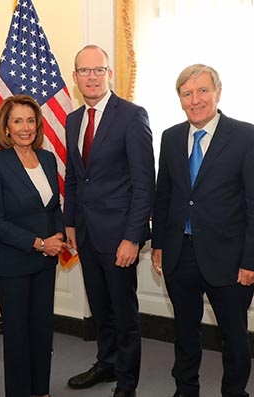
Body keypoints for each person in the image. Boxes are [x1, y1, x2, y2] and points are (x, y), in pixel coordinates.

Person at [151, 64, 254, 397]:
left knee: (233, 336)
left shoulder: (246, 136)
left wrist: (253, 260)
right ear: (180, 100)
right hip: (179, 254)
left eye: (202, 91)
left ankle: (235, 392)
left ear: (218, 93)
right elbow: (165, 196)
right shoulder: (171, 137)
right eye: (187, 93)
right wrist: (159, 243)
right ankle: (185, 389)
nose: (195, 100)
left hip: (230, 259)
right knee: (184, 332)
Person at [64, 45, 155, 397]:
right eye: (84, 71)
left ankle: (127, 381)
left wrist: (133, 237)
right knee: (100, 308)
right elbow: (74, 177)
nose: (91, 77)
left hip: (119, 237)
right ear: (75, 78)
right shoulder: (74, 120)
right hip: (86, 235)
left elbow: (144, 182)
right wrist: (69, 222)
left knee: (123, 310)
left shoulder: (132, 115)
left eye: (97, 70)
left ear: (109, 74)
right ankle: (106, 363)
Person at [0, 95, 65, 397]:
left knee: (42, 331)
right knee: (17, 336)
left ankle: (41, 390)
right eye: (18, 121)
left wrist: (59, 238)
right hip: (13, 263)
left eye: (30, 120)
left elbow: (52, 207)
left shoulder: (48, 159)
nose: (25, 127)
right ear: (6, 126)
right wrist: (40, 243)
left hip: (45, 262)